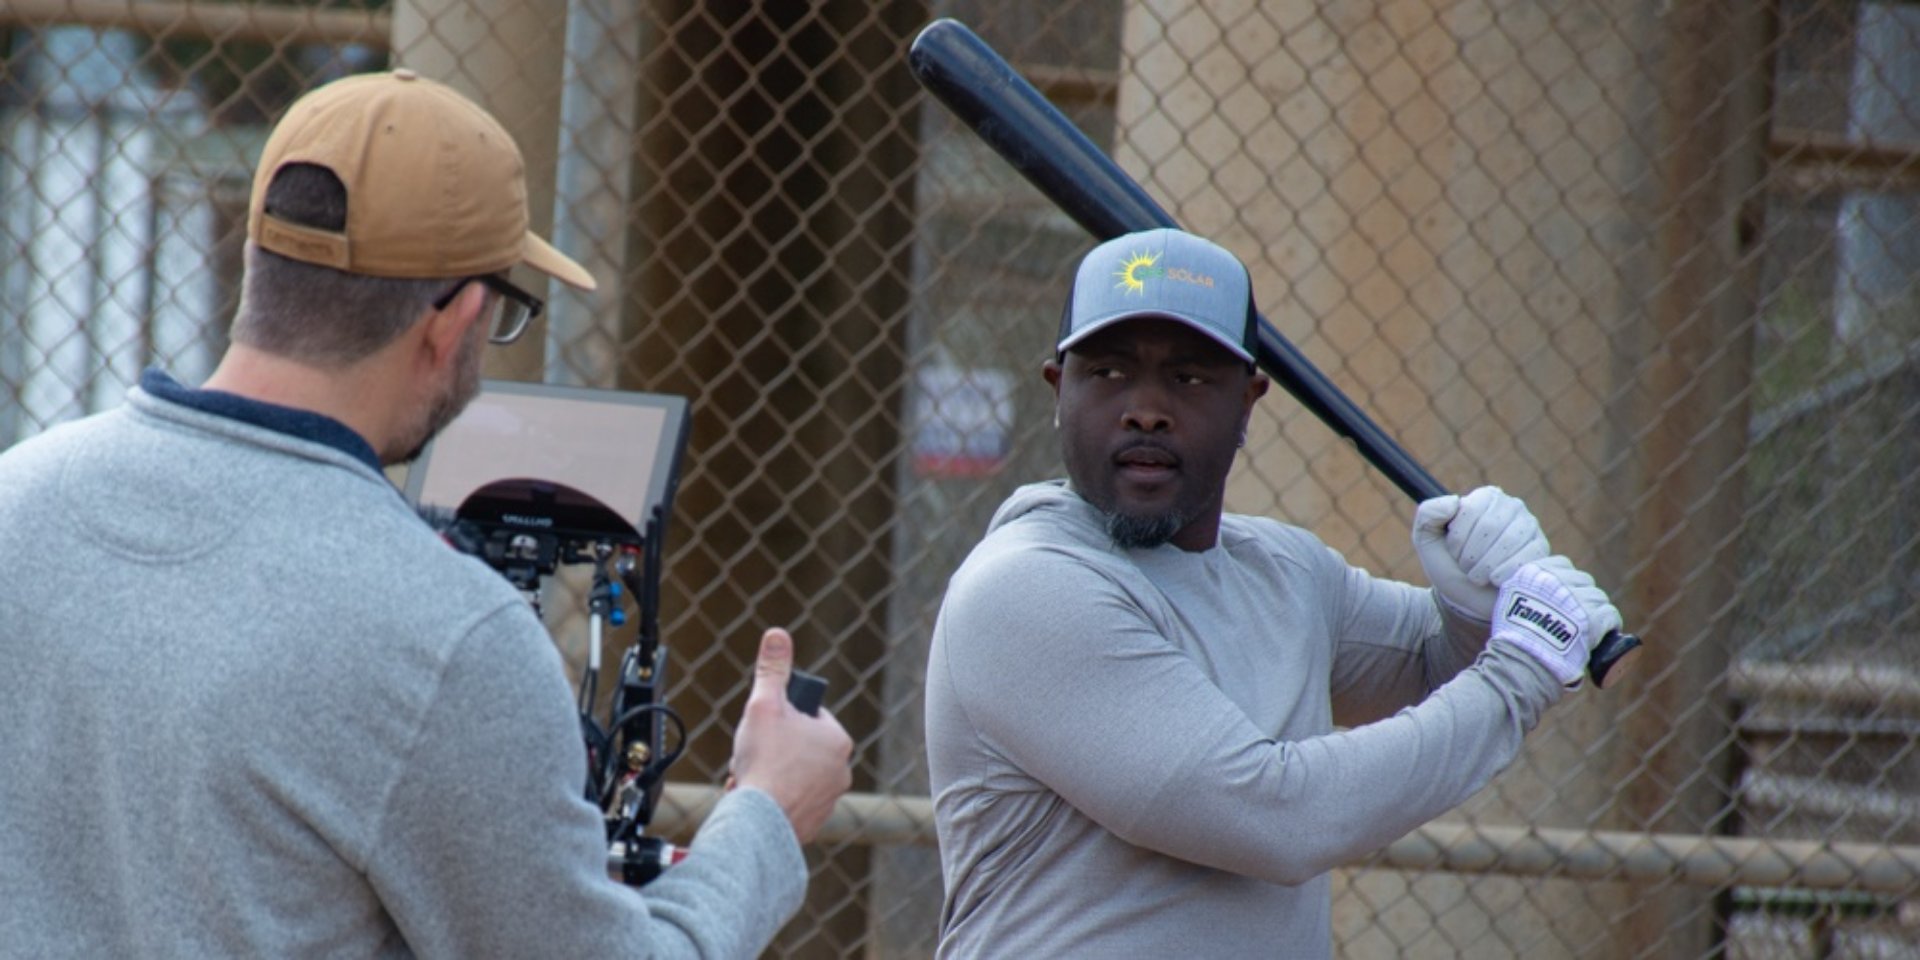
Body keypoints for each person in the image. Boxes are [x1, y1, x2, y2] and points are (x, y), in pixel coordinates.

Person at [0, 70, 851, 959]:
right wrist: (766, 816)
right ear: (457, 320)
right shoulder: (448, 640)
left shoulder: (17, 499)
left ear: (263, 259)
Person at [924, 227, 1621, 957]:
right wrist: (1519, 674)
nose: (1146, 409)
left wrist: (1475, 610)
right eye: (1108, 373)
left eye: (1189, 377)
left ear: (1250, 399)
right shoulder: (1027, 589)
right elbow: (1275, 816)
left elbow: (1428, 662)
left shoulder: (1284, 571)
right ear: (1056, 390)